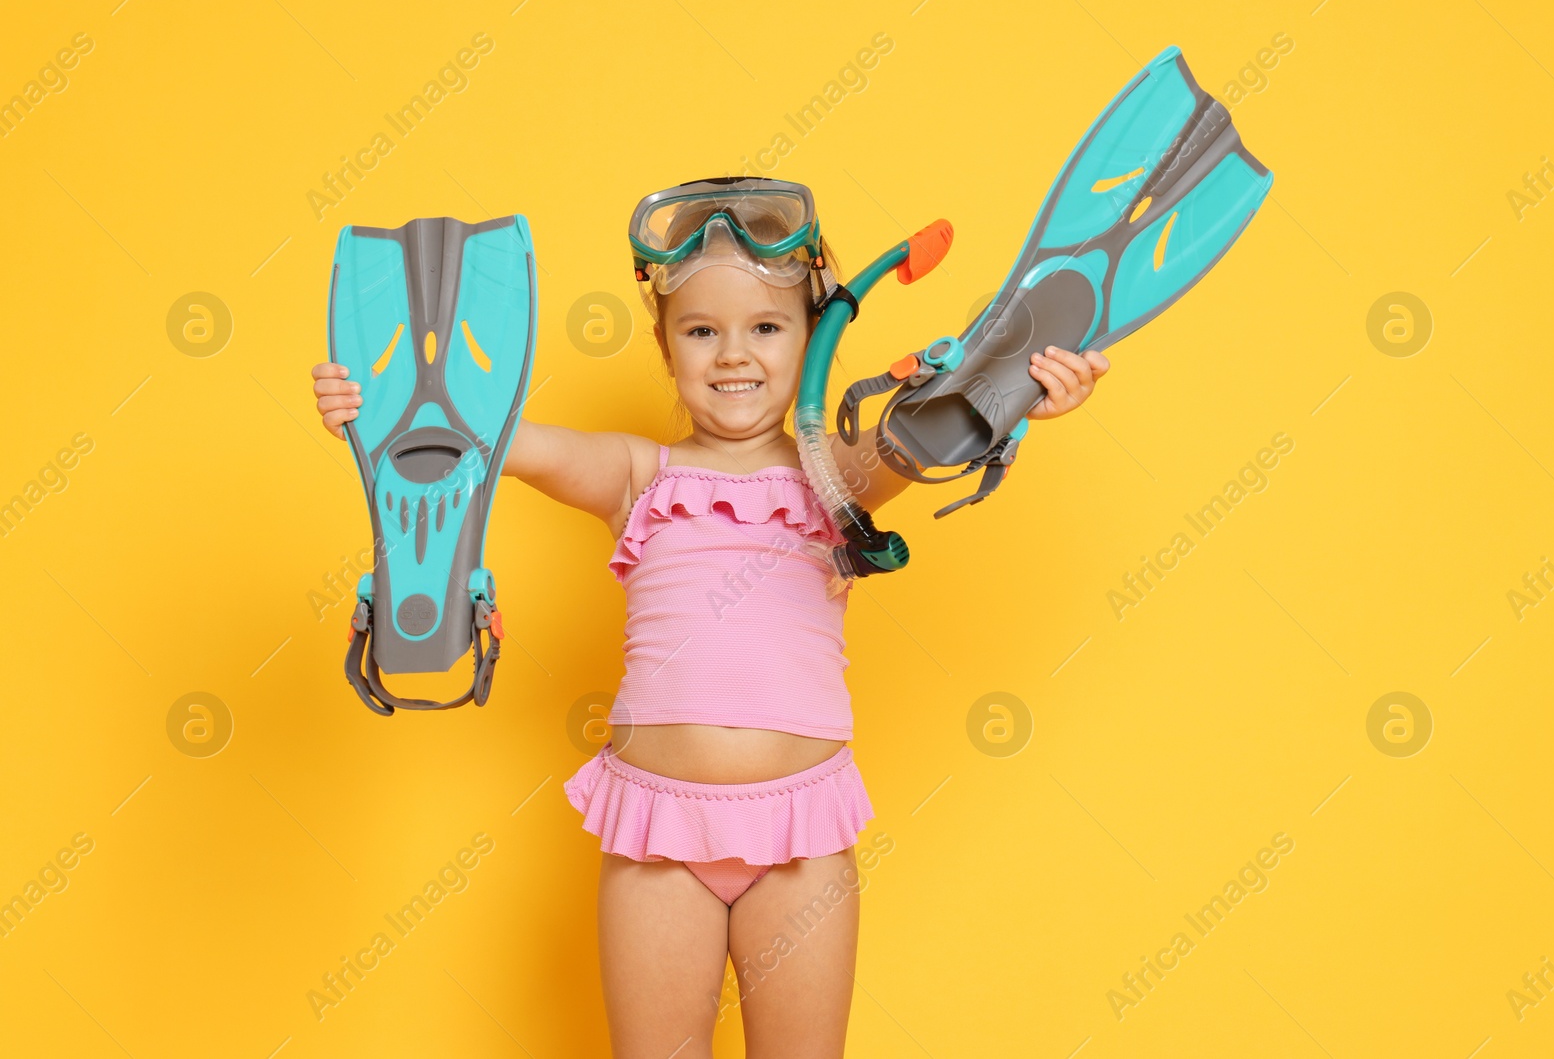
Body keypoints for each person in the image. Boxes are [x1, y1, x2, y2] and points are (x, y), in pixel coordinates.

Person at [308, 177, 1109, 1058]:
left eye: (766, 328)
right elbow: (485, 438)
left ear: (813, 338)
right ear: (666, 348)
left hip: (800, 842)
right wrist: (369, 413)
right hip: (660, 840)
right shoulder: (635, 475)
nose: (734, 354)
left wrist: (1027, 394)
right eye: (701, 331)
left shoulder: (836, 472)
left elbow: (934, 435)